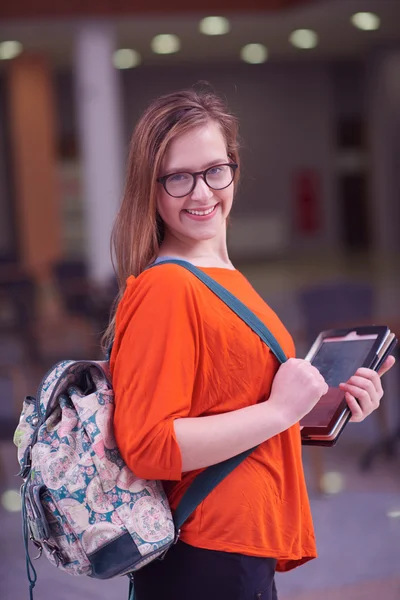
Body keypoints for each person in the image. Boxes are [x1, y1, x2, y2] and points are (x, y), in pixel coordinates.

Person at [106, 88, 395, 600]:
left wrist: (324, 407)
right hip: (209, 550)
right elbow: (149, 446)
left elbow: (234, 409)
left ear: (234, 168)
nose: (201, 193)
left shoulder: (224, 275)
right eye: (178, 177)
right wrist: (280, 409)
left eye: (215, 170)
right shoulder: (167, 287)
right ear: (149, 188)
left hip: (241, 541)